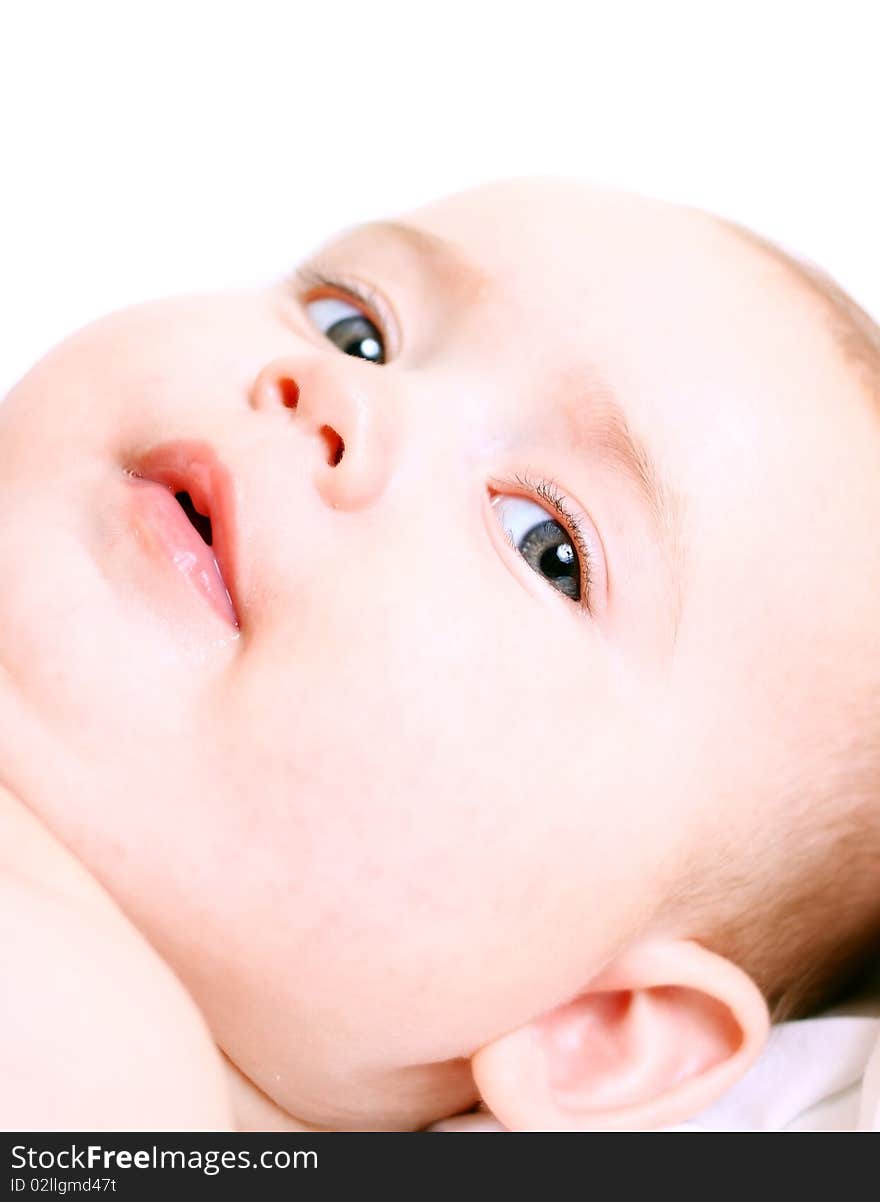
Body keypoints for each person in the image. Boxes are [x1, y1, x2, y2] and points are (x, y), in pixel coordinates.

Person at [2, 177, 879, 1132]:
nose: (341, 393)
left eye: (546, 543)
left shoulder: (89, 1061)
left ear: (592, 1029)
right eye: (354, 325)